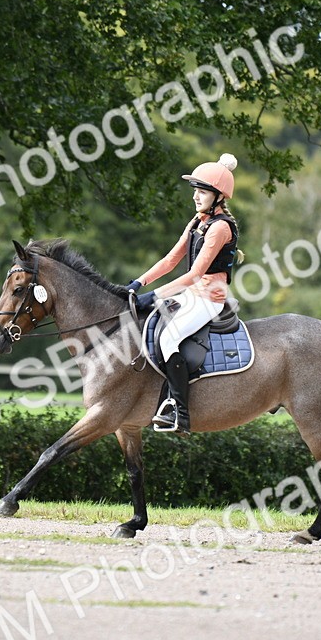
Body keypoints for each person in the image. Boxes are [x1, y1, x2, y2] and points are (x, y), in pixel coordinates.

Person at [128, 153, 241, 436]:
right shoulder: (197, 223)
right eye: (196, 191)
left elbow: (194, 274)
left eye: (202, 192)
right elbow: (170, 260)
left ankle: (180, 412)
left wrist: (153, 296)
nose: (196, 197)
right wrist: (138, 283)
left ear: (217, 196)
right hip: (192, 294)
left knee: (169, 337)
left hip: (210, 297)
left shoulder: (220, 228)